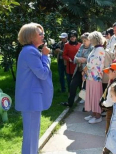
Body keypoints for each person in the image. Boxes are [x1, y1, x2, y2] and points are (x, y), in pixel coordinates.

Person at [15, 23, 53, 154]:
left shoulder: (29, 51)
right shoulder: (30, 51)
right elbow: (42, 73)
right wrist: (45, 56)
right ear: (31, 36)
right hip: (31, 100)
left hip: (30, 99)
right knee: (31, 135)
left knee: (32, 134)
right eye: (40, 34)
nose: (43, 36)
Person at [60, 33, 93, 107]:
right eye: (83, 40)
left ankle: (87, 106)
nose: (84, 42)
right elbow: (75, 58)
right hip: (79, 69)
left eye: (85, 40)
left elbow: (93, 60)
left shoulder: (92, 48)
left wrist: (85, 60)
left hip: (87, 71)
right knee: (72, 85)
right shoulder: (81, 46)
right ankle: (70, 103)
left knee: (85, 88)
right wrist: (80, 59)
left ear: (90, 40)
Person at [83, 31, 105, 124]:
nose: (89, 40)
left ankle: (98, 116)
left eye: (91, 39)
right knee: (92, 95)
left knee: (96, 96)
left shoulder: (99, 49)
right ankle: (93, 114)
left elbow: (92, 63)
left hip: (95, 76)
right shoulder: (96, 48)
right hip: (91, 76)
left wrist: (85, 69)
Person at [100, 63, 116, 134]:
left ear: (114, 72)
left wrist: (102, 103)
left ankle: (108, 144)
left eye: (109, 72)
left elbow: (109, 103)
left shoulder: (112, 87)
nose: (108, 74)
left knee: (109, 130)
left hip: (111, 111)